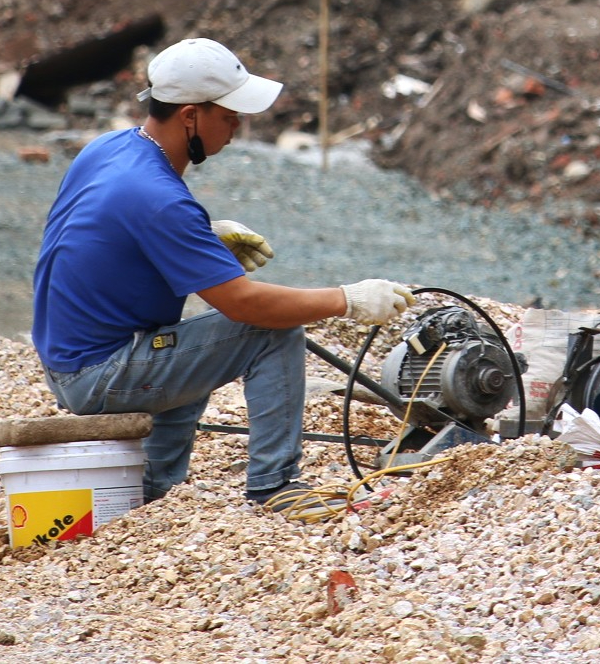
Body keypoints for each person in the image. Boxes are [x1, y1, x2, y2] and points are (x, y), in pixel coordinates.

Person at [31, 37, 414, 510]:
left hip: (66, 358)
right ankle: (276, 486)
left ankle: (150, 491)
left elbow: (94, 231)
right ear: (191, 115)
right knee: (269, 332)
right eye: (230, 116)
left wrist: (200, 238)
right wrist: (348, 300)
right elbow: (244, 304)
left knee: (192, 349)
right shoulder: (159, 197)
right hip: (95, 374)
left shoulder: (109, 149)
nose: (237, 127)